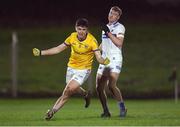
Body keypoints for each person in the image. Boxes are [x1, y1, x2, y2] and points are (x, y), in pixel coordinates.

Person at [32, 18, 110, 120]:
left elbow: (98, 56)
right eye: (79, 29)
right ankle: (86, 94)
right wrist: (41, 52)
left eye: (83, 29)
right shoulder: (72, 37)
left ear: (87, 30)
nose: (81, 31)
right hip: (71, 68)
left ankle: (52, 112)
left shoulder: (92, 41)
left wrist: (103, 61)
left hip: (83, 70)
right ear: (75, 28)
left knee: (68, 90)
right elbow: (58, 48)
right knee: (71, 89)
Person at [96, 6, 127, 118]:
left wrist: (108, 32)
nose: (111, 15)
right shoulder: (106, 27)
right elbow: (103, 44)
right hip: (105, 60)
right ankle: (106, 111)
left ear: (118, 17)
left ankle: (122, 108)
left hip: (115, 59)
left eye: (114, 14)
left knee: (111, 85)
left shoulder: (120, 27)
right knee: (99, 87)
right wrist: (94, 50)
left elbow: (119, 43)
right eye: (110, 13)